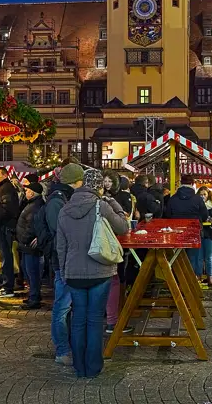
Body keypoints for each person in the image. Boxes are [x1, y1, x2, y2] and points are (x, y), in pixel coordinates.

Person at [57, 168, 129, 378]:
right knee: (95, 319)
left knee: (78, 318)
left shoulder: (64, 209)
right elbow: (123, 226)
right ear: (99, 186)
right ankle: (94, 367)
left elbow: (60, 247)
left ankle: (79, 367)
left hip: (73, 272)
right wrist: (112, 201)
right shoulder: (102, 205)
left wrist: (64, 272)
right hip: (100, 270)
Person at [47, 162, 83, 366]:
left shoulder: (64, 199)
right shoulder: (57, 201)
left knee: (68, 306)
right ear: (75, 182)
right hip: (62, 262)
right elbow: (59, 233)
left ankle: (68, 345)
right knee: (61, 307)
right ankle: (62, 350)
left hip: (70, 260)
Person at [102, 170, 132, 334]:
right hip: (108, 245)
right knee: (113, 279)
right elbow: (122, 224)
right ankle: (112, 321)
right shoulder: (106, 203)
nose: (106, 184)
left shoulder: (70, 205)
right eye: (104, 181)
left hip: (88, 253)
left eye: (109, 181)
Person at [165, 175, 208, 278]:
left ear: (180, 183)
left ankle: (178, 281)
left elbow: (167, 215)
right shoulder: (198, 199)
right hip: (193, 232)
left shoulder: (173, 198)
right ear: (192, 184)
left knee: (177, 257)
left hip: (176, 233)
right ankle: (191, 282)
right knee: (192, 257)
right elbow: (205, 215)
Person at [16, 183, 45, 309]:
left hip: (29, 245)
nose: (25, 192)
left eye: (27, 190)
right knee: (29, 271)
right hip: (26, 245)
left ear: (32, 192)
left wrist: (25, 239)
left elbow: (32, 226)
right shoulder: (32, 204)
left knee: (32, 272)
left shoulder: (35, 206)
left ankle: (34, 298)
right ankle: (33, 296)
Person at [0, 167, 20, 298]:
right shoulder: (4, 188)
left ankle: (8, 286)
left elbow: (6, 209)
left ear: (5, 175)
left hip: (5, 226)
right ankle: (7, 285)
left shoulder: (6, 188)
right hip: (5, 226)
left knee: (6, 256)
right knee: (5, 256)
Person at [198, 187, 212, 287]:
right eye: (201, 194)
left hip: (210, 233)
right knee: (199, 257)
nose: (202, 196)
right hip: (199, 233)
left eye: (204, 194)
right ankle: (198, 277)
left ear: (208, 195)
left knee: (208, 257)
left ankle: (209, 278)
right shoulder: (197, 206)